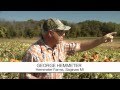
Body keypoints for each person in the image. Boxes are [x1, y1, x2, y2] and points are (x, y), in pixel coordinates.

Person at [19, 18, 117, 79]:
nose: (64, 34)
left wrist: (101, 40)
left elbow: (81, 46)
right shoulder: (33, 53)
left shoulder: (61, 46)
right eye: (61, 31)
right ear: (50, 33)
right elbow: (24, 76)